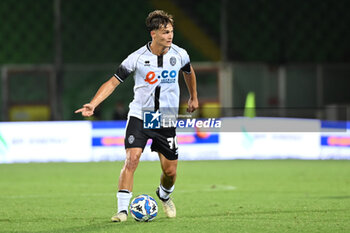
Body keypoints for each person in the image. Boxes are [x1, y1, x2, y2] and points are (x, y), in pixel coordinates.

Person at [75, 10, 198, 222]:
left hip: (166, 118)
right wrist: (93, 104)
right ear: (153, 34)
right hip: (140, 115)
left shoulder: (180, 54)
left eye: (171, 31)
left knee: (170, 172)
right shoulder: (137, 58)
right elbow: (113, 82)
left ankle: (164, 195)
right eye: (165, 32)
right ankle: (122, 211)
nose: (170, 36)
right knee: (131, 159)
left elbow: (188, 72)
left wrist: (193, 97)